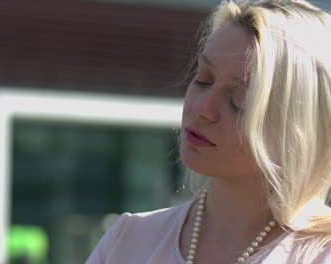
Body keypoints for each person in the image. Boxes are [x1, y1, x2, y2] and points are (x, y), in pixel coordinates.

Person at [85, 0, 331, 263]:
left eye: (238, 100)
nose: (202, 108)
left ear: (299, 128)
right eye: (203, 79)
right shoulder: (128, 240)